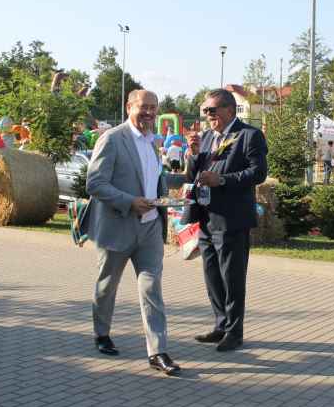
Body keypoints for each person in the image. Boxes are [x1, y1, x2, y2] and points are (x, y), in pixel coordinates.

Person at [84, 90, 180, 376]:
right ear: (129, 107)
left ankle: (157, 351)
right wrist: (130, 202)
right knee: (107, 285)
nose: (149, 112)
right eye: (144, 107)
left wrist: (174, 192)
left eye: (153, 107)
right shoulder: (112, 139)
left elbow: (153, 179)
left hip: (150, 227)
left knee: (151, 288)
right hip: (117, 226)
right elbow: (95, 183)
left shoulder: (153, 142)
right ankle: (102, 333)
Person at [184, 88, 268, 352]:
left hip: (232, 219)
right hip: (207, 218)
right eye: (205, 111)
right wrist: (193, 154)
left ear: (229, 110)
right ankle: (221, 325)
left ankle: (234, 332)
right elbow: (193, 175)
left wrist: (221, 180)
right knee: (212, 277)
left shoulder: (249, 135)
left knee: (232, 279)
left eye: (212, 110)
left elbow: (258, 173)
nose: (208, 116)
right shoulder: (208, 137)